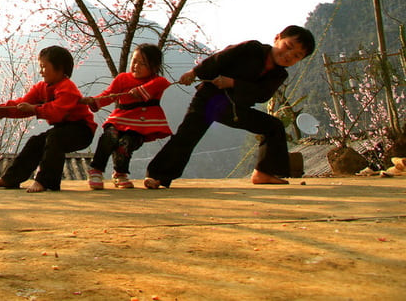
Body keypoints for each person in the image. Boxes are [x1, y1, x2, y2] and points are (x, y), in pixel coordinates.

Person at [144, 25, 315, 189]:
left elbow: (262, 95)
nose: (288, 55)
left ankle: (264, 173)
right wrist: (194, 73)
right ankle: (157, 175)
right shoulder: (252, 48)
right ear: (277, 38)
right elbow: (220, 59)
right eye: (288, 46)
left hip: (234, 109)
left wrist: (233, 83)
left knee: (273, 126)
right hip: (209, 100)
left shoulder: (279, 74)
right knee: (187, 135)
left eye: (296, 55)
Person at [0, 45, 97, 192]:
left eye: (44, 67)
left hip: (82, 130)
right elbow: (22, 105)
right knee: (35, 142)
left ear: (59, 68)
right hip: (61, 130)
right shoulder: (41, 88)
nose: (41, 72)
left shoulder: (68, 89)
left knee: (54, 138)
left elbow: (56, 112)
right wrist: (0, 109)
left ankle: (45, 181)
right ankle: (11, 178)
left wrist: (34, 109)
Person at [82, 44, 172, 190]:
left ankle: (120, 173)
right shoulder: (122, 79)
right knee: (109, 137)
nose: (136, 66)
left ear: (154, 67)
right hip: (118, 120)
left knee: (126, 144)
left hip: (140, 126)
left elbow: (158, 84)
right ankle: (96, 169)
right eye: (134, 61)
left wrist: (140, 90)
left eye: (142, 63)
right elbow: (109, 95)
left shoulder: (158, 81)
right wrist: (94, 101)